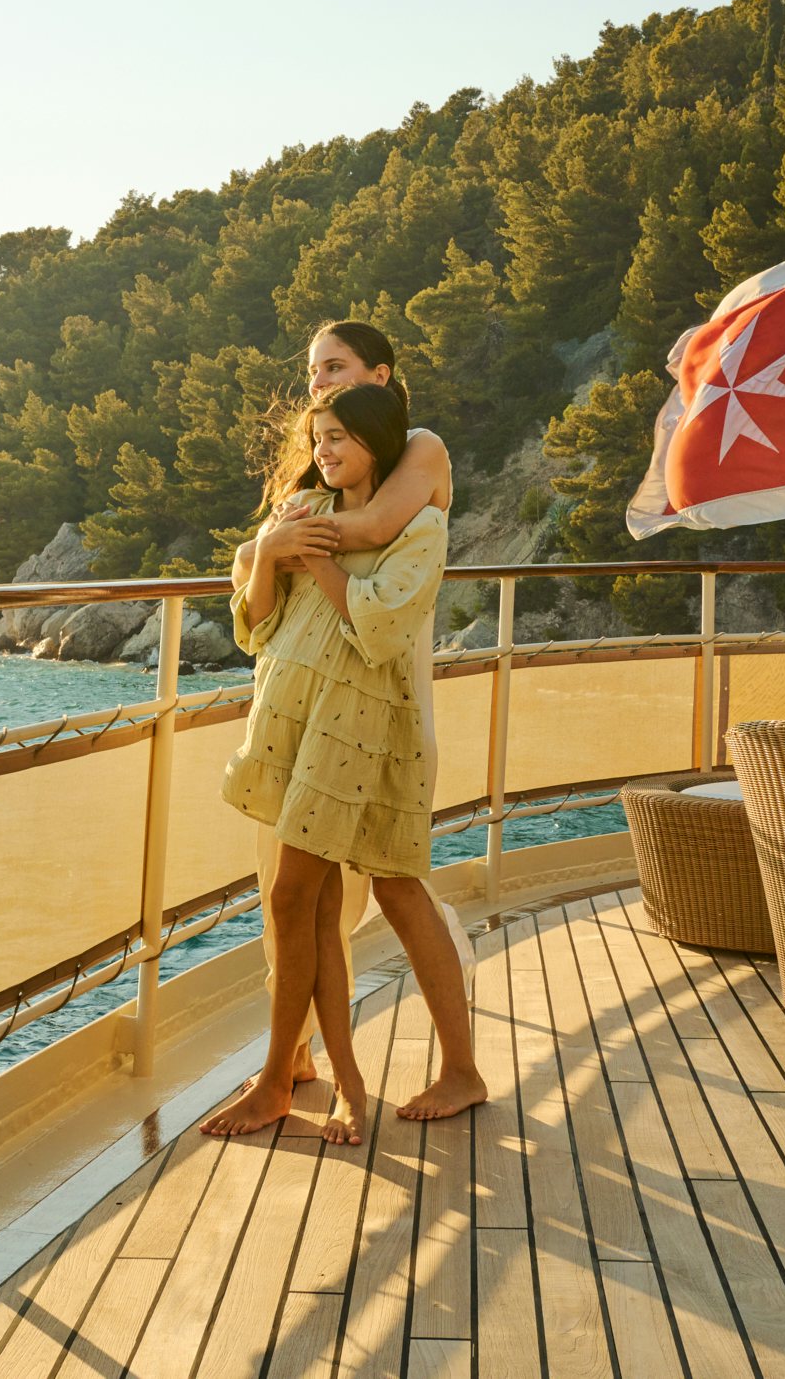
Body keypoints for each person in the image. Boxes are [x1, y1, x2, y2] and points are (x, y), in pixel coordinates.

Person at [203, 383, 486, 1140]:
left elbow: (380, 625)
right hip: (294, 725)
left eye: (337, 438)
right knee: (311, 907)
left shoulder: (417, 528)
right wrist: (270, 551)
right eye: (317, 438)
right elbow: (256, 625)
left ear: (375, 440)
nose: (322, 451)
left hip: (353, 733)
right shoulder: (308, 515)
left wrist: (319, 555)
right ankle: (343, 1085)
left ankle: (281, 1081)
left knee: (298, 900)